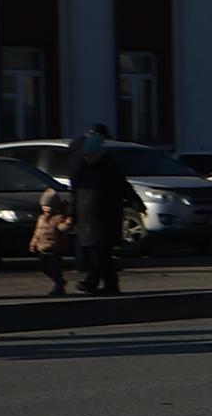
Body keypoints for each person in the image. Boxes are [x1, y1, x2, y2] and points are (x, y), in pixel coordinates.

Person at [65, 127, 143, 294]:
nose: (88, 158)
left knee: (100, 253)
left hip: (105, 217)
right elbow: (75, 194)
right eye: (86, 155)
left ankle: (96, 284)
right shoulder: (81, 171)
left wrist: (137, 203)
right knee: (99, 254)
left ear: (99, 154)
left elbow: (124, 188)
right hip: (87, 217)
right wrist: (72, 214)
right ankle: (107, 285)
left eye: (91, 155)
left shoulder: (109, 170)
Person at [28, 188, 73, 296]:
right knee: (43, 267)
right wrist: (33, 243)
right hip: (42, 247)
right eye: (44, 206)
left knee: (54, 268)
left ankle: (59, 285)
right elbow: (37, 232)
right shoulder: (41, 218)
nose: (46, 209)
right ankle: (59, 282)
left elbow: (63, 228)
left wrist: (68, 224)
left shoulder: (58, 218)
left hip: (54, 248)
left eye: (48, 206)